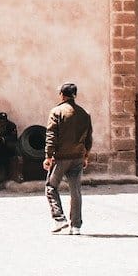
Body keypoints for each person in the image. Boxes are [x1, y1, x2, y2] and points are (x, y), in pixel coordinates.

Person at [44, 82, 93, 235]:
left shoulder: (56, 112)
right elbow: (88, 138)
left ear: (62, 95)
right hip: (78, 157)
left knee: (51, 187)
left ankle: (59, 219)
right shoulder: (84, 113)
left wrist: (48, 156)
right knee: (75, 191)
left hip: (61, 158)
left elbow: (51, 136)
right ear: (74, 95)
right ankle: (76, 226)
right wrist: (86, 155)